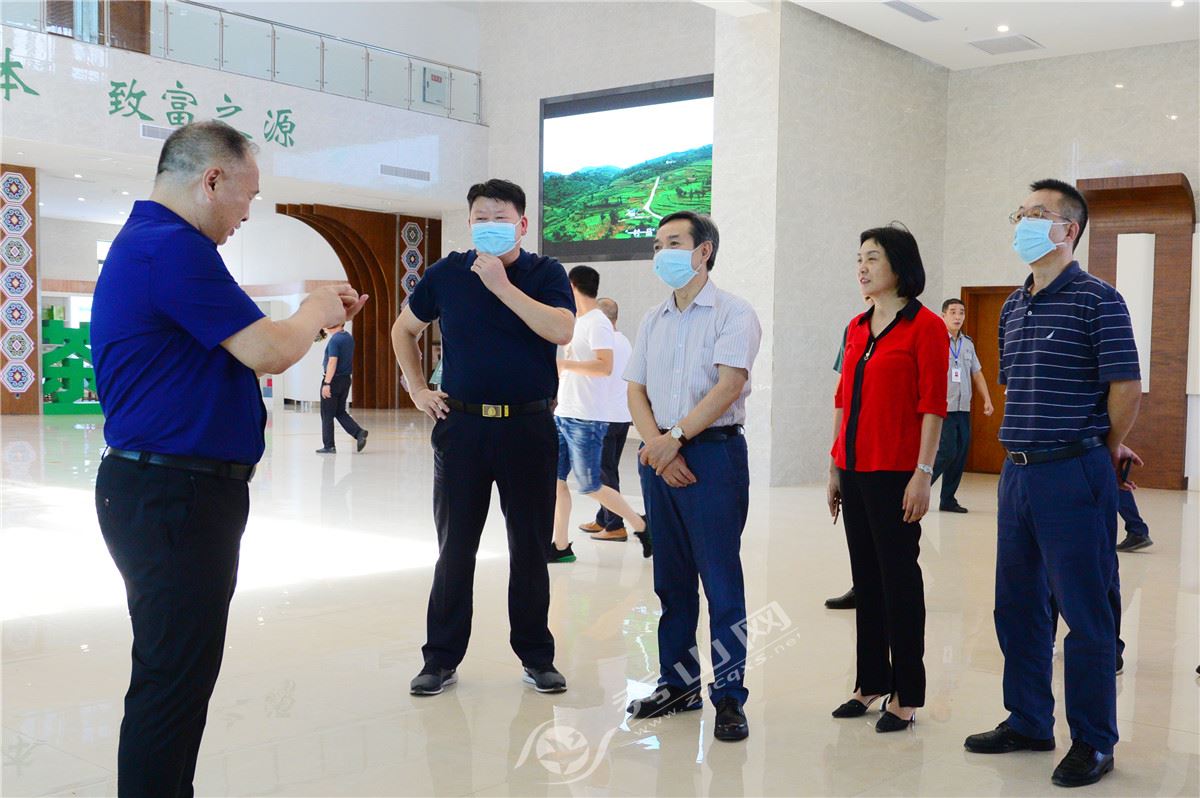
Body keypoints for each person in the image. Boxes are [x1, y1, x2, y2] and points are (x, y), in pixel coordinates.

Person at [89, 120, 367, 796]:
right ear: (211, 180)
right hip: (174, 494)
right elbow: (268, 350)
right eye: (248, 194)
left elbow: (239, 349)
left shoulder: (155, 243)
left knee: (175, 676)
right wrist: (314, 308)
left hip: (170, 491)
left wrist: (309, 323)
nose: (248, 212)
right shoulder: (172, 247)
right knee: (172, 684)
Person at [964, 179, 1142, 789]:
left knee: (1085, 611)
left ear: (1069, 229)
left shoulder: (1099, 300)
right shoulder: (1014, 306)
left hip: (1074, 471)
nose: (1024, 222)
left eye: (1037, 214)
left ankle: (1094, 740)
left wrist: (1103, 447)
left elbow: (1125, 386)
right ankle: (1029, 720)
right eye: (1020, 213)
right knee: (1016, 606)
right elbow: (1019, 385)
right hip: (1018, 473)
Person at [391, 179, 575, 697]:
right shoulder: (446, 273)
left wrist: (501, 286)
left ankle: (537, 656)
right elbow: (403, 330)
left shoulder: (546, 273)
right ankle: (440, 658)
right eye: (480, 218)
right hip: (463, 428)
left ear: (522, 224)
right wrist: (418, 388)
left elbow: (562, 330)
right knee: (455, 549)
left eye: (500, 217)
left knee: (530, 548)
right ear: (469, 223)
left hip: (528, 426)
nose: (488, 225)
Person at [624, 212, 761, 743]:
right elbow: (635, 389)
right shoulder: (653, 318)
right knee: (672, 582)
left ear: (704, 251)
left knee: (721, 583)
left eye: (674, 243)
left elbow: (729, 386)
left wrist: (675, 438)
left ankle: (729, 697)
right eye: (658, 245)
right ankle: (677, 686)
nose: (663, 253)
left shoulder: (733, 312)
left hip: (714, 457)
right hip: (660, 457)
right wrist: (659, 446)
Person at [827, 224, 946, 734]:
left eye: (872, 258)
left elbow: (933, 405)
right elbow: (842, 399)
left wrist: (923, 474)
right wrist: (834, 464)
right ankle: (871, 681)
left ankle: (907, 692)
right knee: (867, 580)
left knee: (899, 581)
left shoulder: (927, 326)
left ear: (899, 265)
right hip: (854, 469)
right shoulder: (856, 326)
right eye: (859, 258)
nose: (862, 267)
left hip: (897, 472)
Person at [551, 268, 650, 563]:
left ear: (572, 286)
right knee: (556, 481)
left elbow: (604, 366)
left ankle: (642, 525)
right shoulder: (578, 321)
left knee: (589, 485)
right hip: (564, 412)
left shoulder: (597, 322)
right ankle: (560, 546)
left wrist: (564, 366)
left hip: (586, 417)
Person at [578, 297, 642, 549]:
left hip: (603, 418)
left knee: (601, 475)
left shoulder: (603, 345)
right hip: (620, 417)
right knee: (608, 470)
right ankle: (603, 518)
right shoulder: (624, 341)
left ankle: (615, 525)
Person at [931, 298, 994, 512]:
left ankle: (948, 500)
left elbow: (977, 373)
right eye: (953, 312)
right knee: (947, 451)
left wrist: (987, 399)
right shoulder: (935, 341)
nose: (958, 317)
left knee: (960, 454)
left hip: (963, 408)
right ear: (943, 315)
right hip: (943, 407)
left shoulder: (968, 343)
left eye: (961, 312)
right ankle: (916, 488)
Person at [315, 321, 368, 454]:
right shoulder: (348, 337)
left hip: (333, 380)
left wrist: (327, 383)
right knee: (339, 411)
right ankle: (358, 432)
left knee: (327, 414)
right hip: (345, 380)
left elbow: (332, 362)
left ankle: (329, 445)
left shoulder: (335, 340)